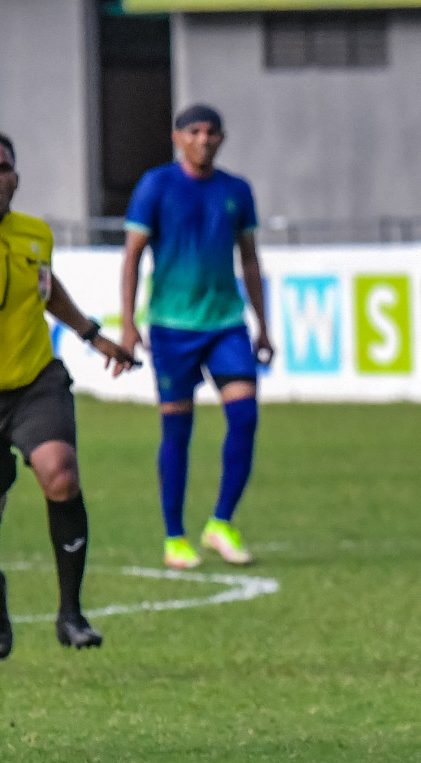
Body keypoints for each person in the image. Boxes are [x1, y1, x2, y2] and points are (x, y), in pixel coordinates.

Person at [0, 132, 139, 656]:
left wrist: (90, 333)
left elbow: (45, 286)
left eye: (4, 168)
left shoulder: (34, 234)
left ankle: (71, 613)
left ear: (15, 176)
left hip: (35, 381)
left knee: (60, 474)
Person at [120, 104, 273, 570]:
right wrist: (128, 324)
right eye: (195, 131)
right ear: (178, 137)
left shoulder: (236, 190)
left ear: (222, 139)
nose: (204, 139)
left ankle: (221, 522)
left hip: (226, 322)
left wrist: (263, 324)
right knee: (177, 431)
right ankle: (174, 537)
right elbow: (132, 257)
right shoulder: (156, 185)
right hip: (171, 328)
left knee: (245, 419)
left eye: (212, 132)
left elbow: (248, 260)